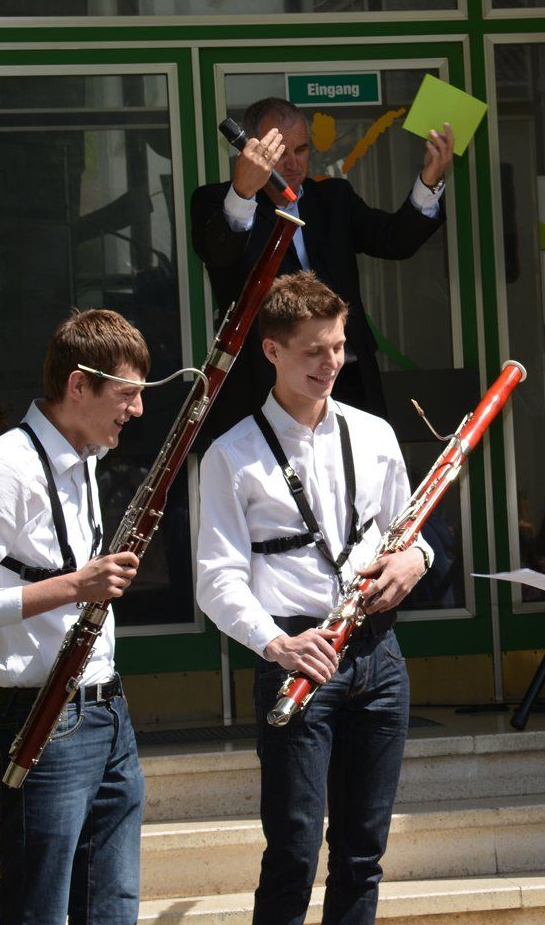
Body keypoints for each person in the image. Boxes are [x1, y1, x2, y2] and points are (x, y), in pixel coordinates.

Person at [196, 271, 432, 925]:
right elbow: (216, 578)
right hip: (296, 655)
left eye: (338, 346)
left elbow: (410, 532)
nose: (330, 363)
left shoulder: (374, 435)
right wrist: (276, 643)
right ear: (271, 350)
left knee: (362, 852)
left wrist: (415, 560)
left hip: (379, 656)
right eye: (312, 350)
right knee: (294, 851)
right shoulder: (230, 455)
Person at [0, 309, 150, 925]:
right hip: (37, 718)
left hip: (108, 712)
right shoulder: (0, 471)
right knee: (38, 910)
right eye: (126, 394)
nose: (136, 410)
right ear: (79, 385)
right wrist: (72, 586)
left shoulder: (87, 456)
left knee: (112, 908)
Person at [190, 96, 454, 435]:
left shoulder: (333, 198)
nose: (292, 164)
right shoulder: (217, 201)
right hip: (269, 381)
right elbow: (219, 254)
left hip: (346, 377)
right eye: (280, 153)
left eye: (301, 150)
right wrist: (243, 192)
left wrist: (430, 180)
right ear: (252, 151)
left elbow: (394, 240)